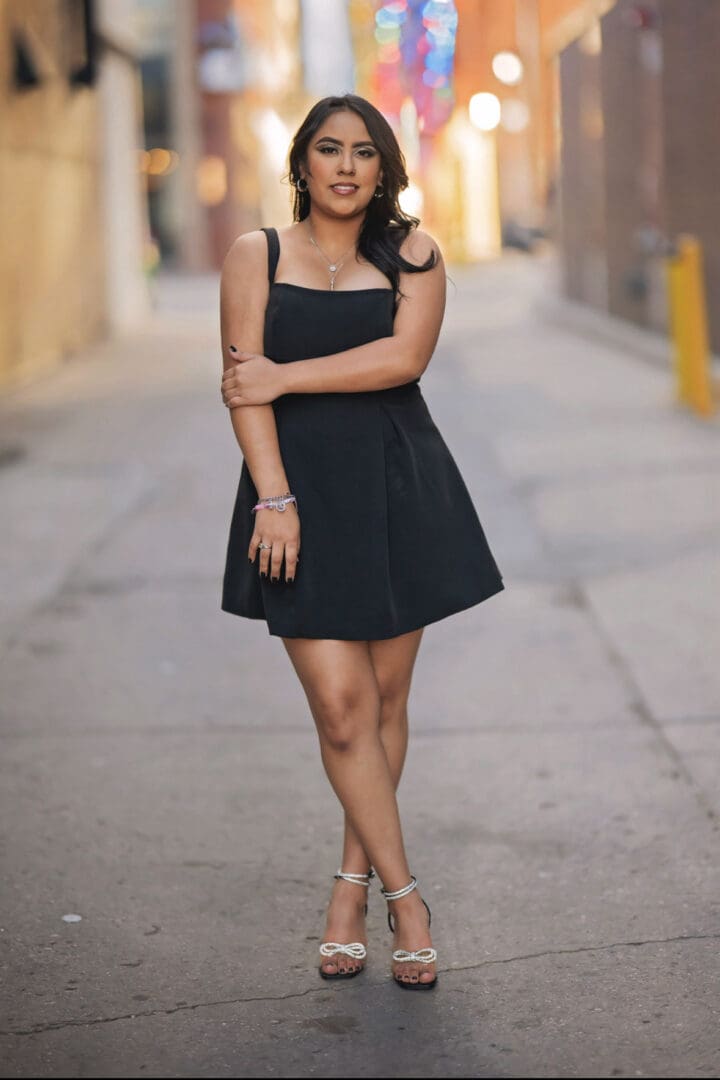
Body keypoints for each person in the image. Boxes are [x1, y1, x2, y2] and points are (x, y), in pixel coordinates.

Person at [219, 94, 504, 990]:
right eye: (329, 150)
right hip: (296, 494)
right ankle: (406, 898)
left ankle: (349, 887)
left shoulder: (414, 255)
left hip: (397, 488)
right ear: (301, 162)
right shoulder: (255, 255)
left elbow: (401, 362)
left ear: (385, 169)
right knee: (341, 708)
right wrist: (274, 497)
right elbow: (241, 388)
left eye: (365, 153)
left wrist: (285, 371)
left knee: (383, 699)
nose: (346, 167)